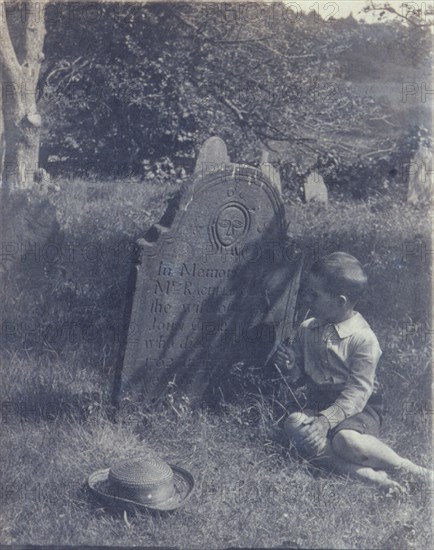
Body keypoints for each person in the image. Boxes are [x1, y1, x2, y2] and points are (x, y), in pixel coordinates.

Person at [273, 252, 431, 493]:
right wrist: (292, 366)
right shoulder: (308, 328)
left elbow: (358, 392)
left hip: (359, 408)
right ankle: (368, 477)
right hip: (319, 403)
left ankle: (405, 468)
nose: (306, 299)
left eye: (314, 295)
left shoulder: (363, 339)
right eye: (307, 292)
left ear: (340, 301)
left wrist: (326, 421)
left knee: (345, 441)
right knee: (294, 424)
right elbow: (302, 377)